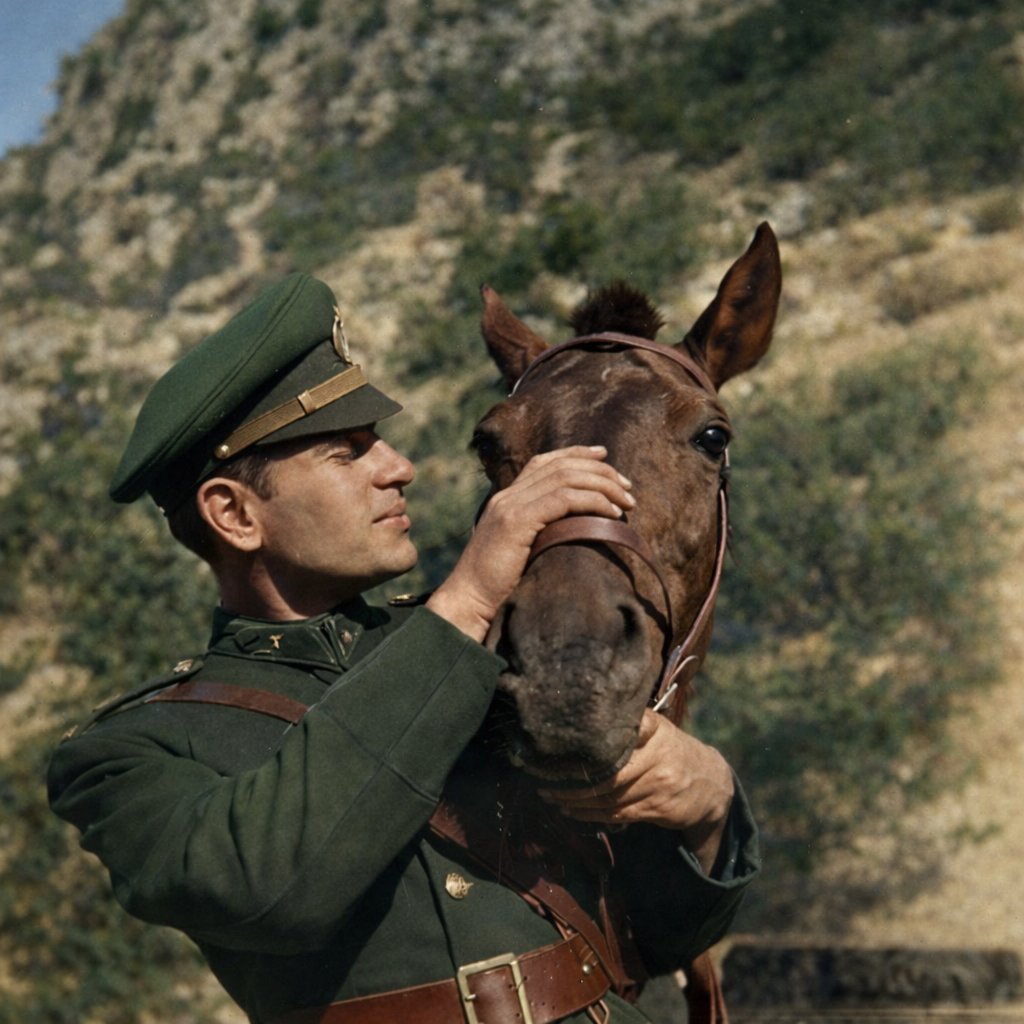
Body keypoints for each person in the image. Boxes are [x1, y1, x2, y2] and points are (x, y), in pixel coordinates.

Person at [48, 272, 760, 1024]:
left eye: (380, 441)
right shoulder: (129, 752)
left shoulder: (505, 659)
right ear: (234, 515)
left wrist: (711, 806)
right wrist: (466, 597)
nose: (399, 468)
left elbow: (653, 936)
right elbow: (269, 889)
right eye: (347, 453)